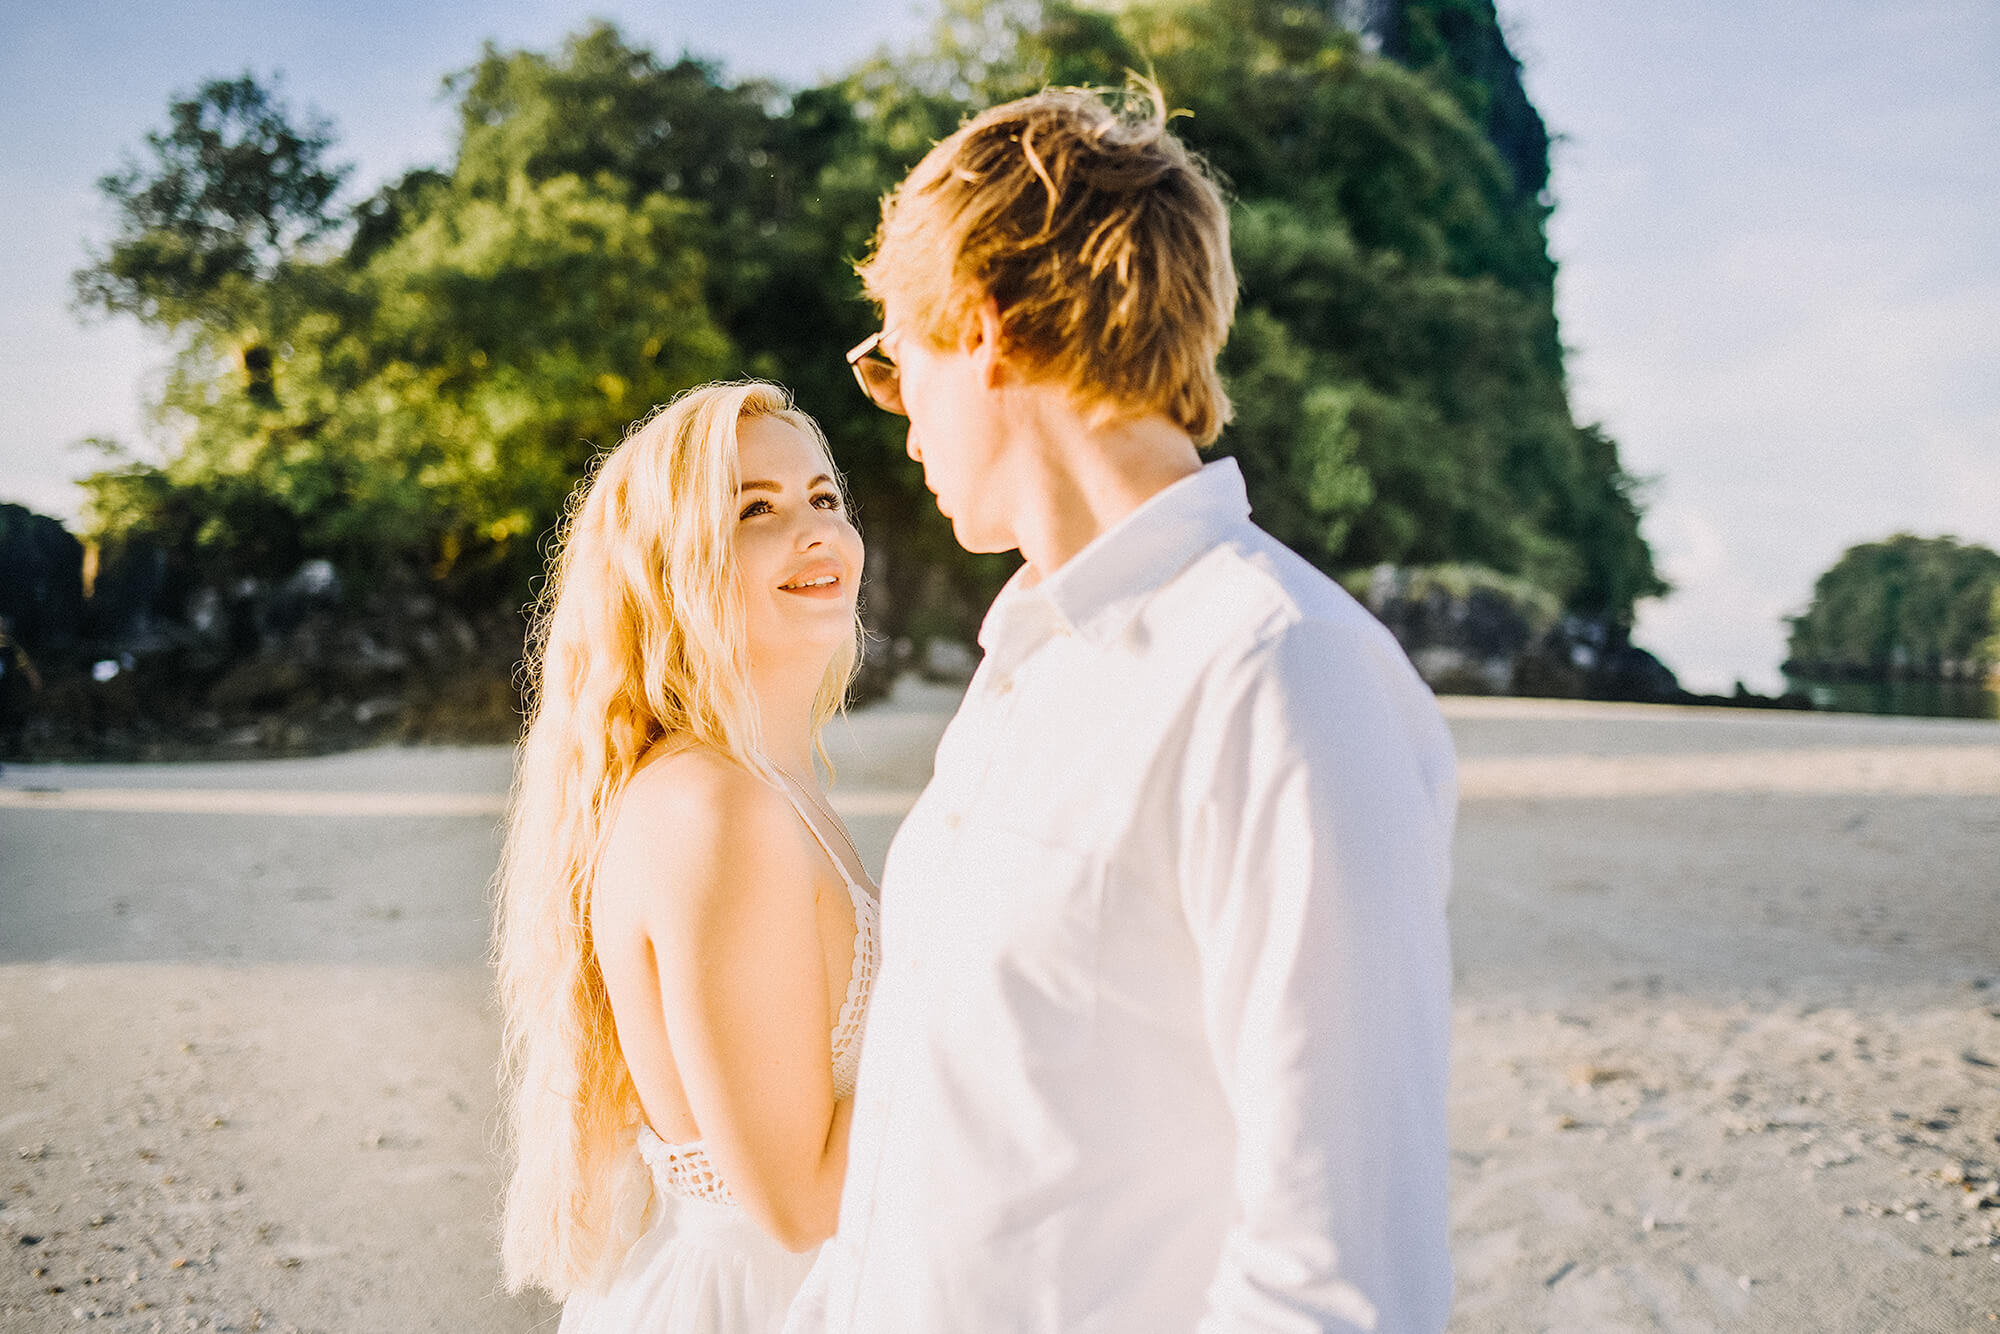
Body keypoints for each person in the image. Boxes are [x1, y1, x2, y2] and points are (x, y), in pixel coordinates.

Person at [788, 83, 1457, 1332]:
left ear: (981, 330)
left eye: (896, 360)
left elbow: (1339, 1280)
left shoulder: (1279, 673)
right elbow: (928, 1152)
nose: (900, 418)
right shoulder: (1019, 669)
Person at [494, 380, 880, 1333]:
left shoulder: (767, 786)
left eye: (823, 497)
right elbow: (794, 1203)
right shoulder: (720, 809)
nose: (814, 528)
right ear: (675, 565)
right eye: (756, 508)